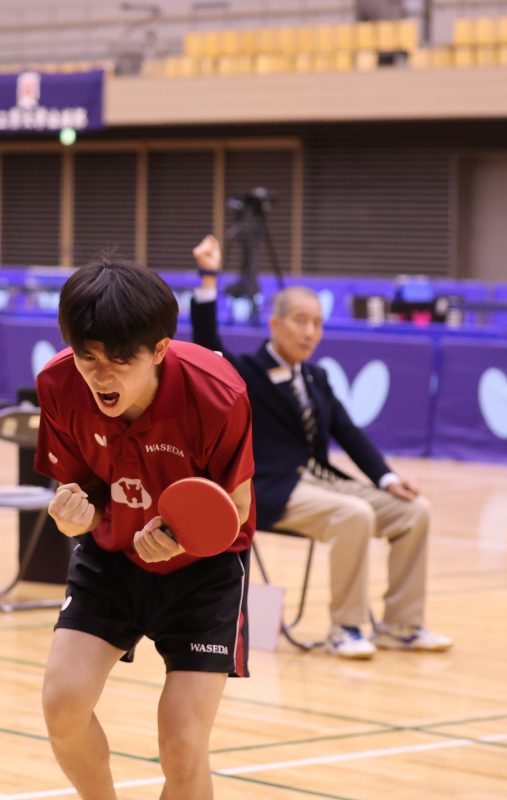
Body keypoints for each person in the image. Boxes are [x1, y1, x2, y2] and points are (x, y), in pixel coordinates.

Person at [36, 255, 256, 800]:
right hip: (111, 559)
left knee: (183, 746)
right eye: (88, 358)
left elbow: (240, 504)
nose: (101, 375)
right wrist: (70, 513)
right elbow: (78, 483)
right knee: (62, 705)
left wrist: (179, 536)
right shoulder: (60, 385)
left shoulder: (217, 393)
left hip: (203, 572)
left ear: (159, 349)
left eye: (118, 360)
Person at [190, 234, 452, 660]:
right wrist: (208, 278)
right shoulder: (246, 373)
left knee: (413, 510)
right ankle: (345, 628)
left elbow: (350, 434)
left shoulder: (317, 378)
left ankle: (401, 625)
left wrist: (387, 478)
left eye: (316, 322)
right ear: (274, 324)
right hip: (273, 492)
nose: (309, 331)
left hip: (323, 484)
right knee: (354, 515)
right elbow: (204, 342)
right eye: (299, 320)